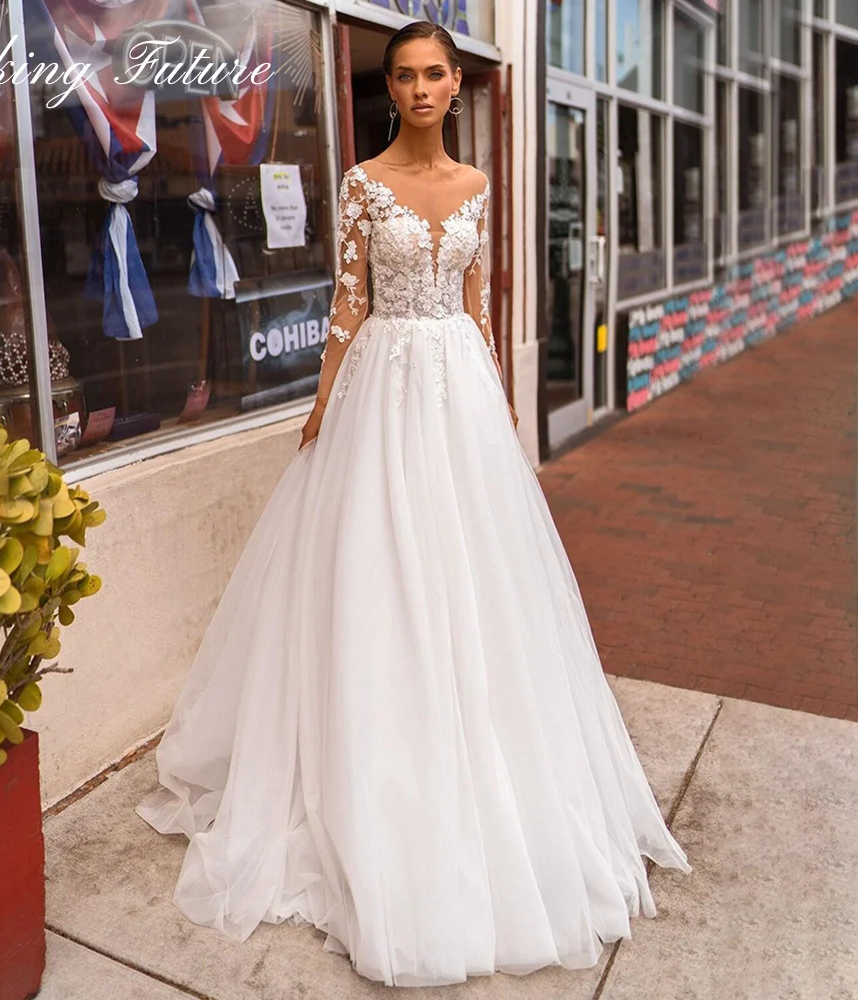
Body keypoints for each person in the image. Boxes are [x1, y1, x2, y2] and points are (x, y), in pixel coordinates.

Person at [137, 19, 691, 988]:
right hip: (383, 387)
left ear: (450, 82)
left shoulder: (478, 186)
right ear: (389, 88)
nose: (424, 88)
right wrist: (320, 407)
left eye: (437, 73)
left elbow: (477, 307)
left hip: (461, 391)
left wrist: (505, 414)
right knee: (378, 567)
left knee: (483, 579)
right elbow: (347, 306)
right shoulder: (360, 185)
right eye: (406, 75)